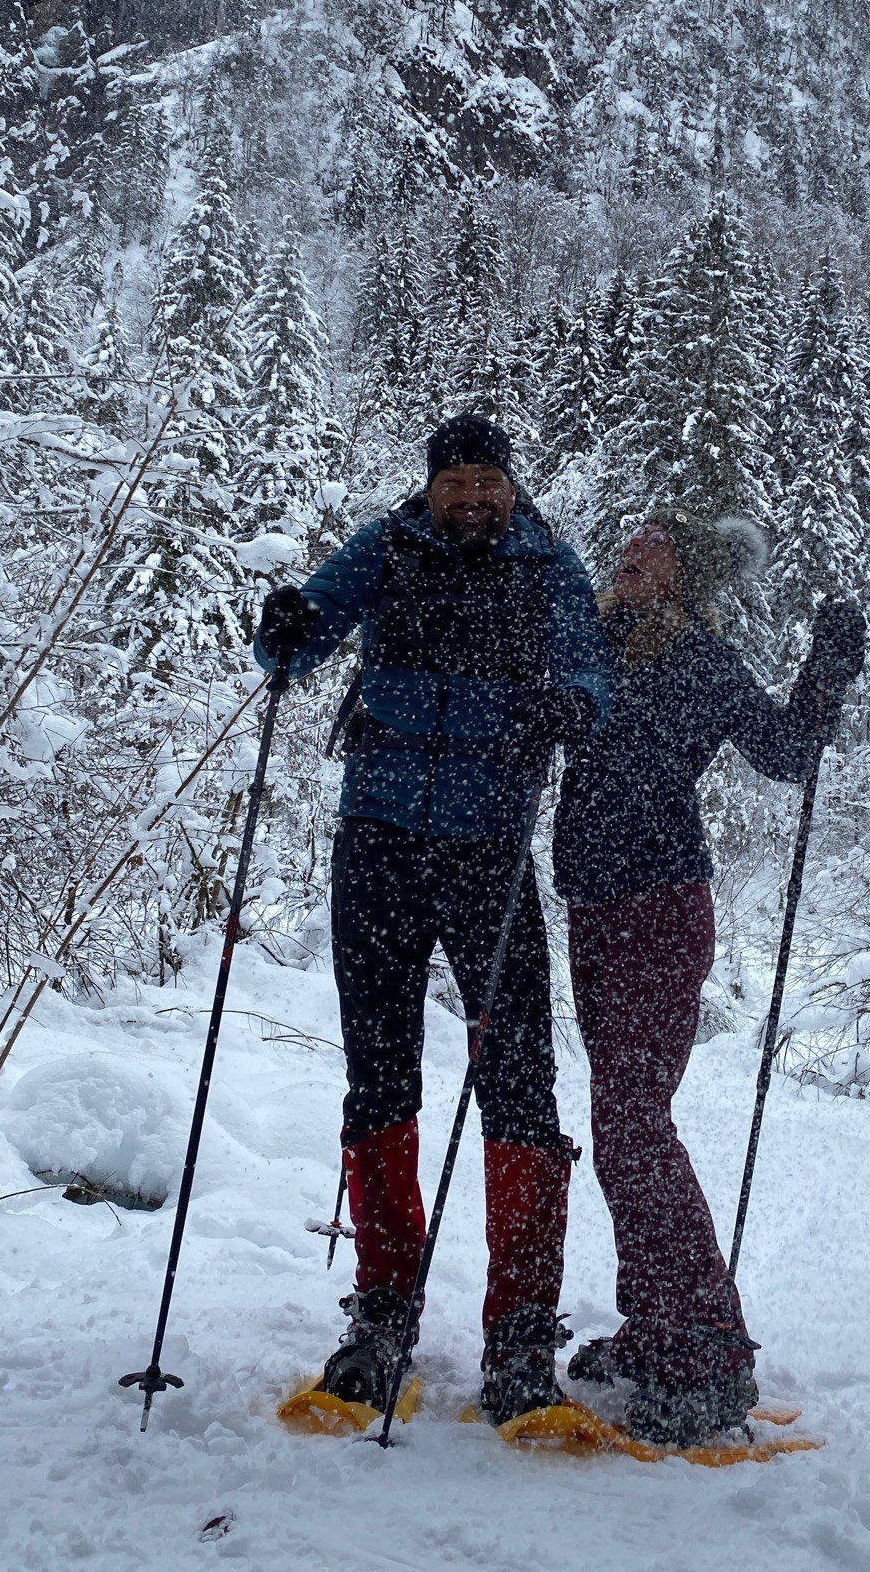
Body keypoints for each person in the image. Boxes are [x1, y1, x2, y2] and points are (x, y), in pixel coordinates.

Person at [254, 414, 610, 1423]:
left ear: (511, 487)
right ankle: (382, 1315)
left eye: (486, 483)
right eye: (456, 481)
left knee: (520, 1081)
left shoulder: (547, 564)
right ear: (433, 486)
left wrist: (571, 704)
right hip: (377, 836)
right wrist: (281, 627)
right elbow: (306, 630)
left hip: (488, 846)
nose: (471, 497)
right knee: (379, 1073)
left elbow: (589, 661)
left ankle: (521, 1333)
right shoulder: (388, 545)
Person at [551, 511, 865, 1447]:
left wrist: (825, 673)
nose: (630, 564)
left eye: (652, 557)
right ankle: (658, 1329)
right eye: (625, 552)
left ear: (682, 581)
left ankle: (706, 1351)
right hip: (593, 909)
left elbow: (783, 751)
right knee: (619, 1126)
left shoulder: (702, 662)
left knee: (633, 1123)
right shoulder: (588, 649)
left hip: (663, 907)